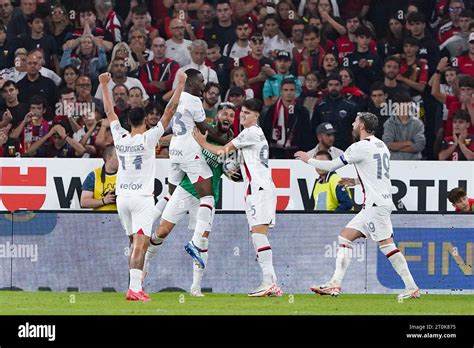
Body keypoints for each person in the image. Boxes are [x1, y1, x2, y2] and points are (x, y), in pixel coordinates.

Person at [294, 112, 420, 300]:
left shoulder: (359, 146)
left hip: (375, 205)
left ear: (361, 126)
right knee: (345, 236)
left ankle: (411, 287)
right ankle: (335, 284)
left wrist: (308, 159)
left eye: (355, 121)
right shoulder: (381, 145)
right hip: (375, 203)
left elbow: (330, 166)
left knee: (386, 245)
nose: (353, 124)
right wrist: (354, 181)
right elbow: (377, 176)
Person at [98, 69, 186, 302]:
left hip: (122, 199)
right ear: (146, 121)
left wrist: (104, 85)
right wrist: (180, 85)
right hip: (142, 199)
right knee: (140, 243)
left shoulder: (120, 137)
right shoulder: (149, 138)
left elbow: (109, 112)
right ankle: (134, 289)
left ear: (128, 122)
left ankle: (135, 285)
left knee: (134, 242)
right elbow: (169, 112)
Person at [143, 102, 236, 296]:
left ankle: (195, 287)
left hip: (209, 194)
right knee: (162, 231)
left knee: (202, 241)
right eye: (225, 113)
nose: (228, 117)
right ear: (217, 116)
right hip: (186, 188)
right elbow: (180, 136)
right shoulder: (202, 131)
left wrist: (232, 173)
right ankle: (143, 264)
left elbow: (228, 168)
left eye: (232, 115)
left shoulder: (231, 141)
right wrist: (161, 141)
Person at [193, 98, 282, 297]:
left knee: (258, 234)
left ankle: (269, 282)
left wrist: (202, 142)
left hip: (259, 189)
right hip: (260, 188)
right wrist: (234, 168)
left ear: (257, 116)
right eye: (242, 112)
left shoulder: (251, 132)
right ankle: (271, 282)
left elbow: (222, 151)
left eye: (248, 112)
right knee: (258, 234)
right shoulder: (253, 134)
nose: (243, 115)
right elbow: (236, 160)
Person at [153, 69, 230, 271]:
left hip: (175, 150)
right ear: (191, 82)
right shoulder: (194, 100)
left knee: (170, 193)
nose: (203, 85)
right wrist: (225, 141)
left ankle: (147, 222)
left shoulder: (178, 98)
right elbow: (204, 129)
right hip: (189, 150)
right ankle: (195, 242)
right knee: (208, 197)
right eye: (201, 81)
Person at [262, 78, 314, 159]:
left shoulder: (302, 111)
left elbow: (306, 136)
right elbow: (266, 132)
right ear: (281, 92)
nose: (288, 93)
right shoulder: (272, 111)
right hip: (276, 153)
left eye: (291, 90)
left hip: (296, 154)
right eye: (285, 90)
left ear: (295, 92)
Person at [311, 74, 358, 151]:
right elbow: (314, 128)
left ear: (341, 86)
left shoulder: (351, 106)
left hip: (345, 147)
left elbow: (356, 128)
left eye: (336, 85)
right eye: (330, 85)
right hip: (325, 148)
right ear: (327, 87)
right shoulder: (320, 106)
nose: (333, 87)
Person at [382, 95, 426, 160]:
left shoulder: (418, 123)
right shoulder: (389, 124)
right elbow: (387, 144)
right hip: (394, 161)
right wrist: (407, 143)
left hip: (414, 161)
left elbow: (419, 145)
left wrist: (396, 148)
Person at [80, 144, 118, 210]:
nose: (122, 159)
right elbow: (83, 202)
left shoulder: (125, 174)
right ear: (109, 158)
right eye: (118, 156)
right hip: (99, 218)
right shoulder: (94, 175)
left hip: (121, 218)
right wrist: (104, 201)